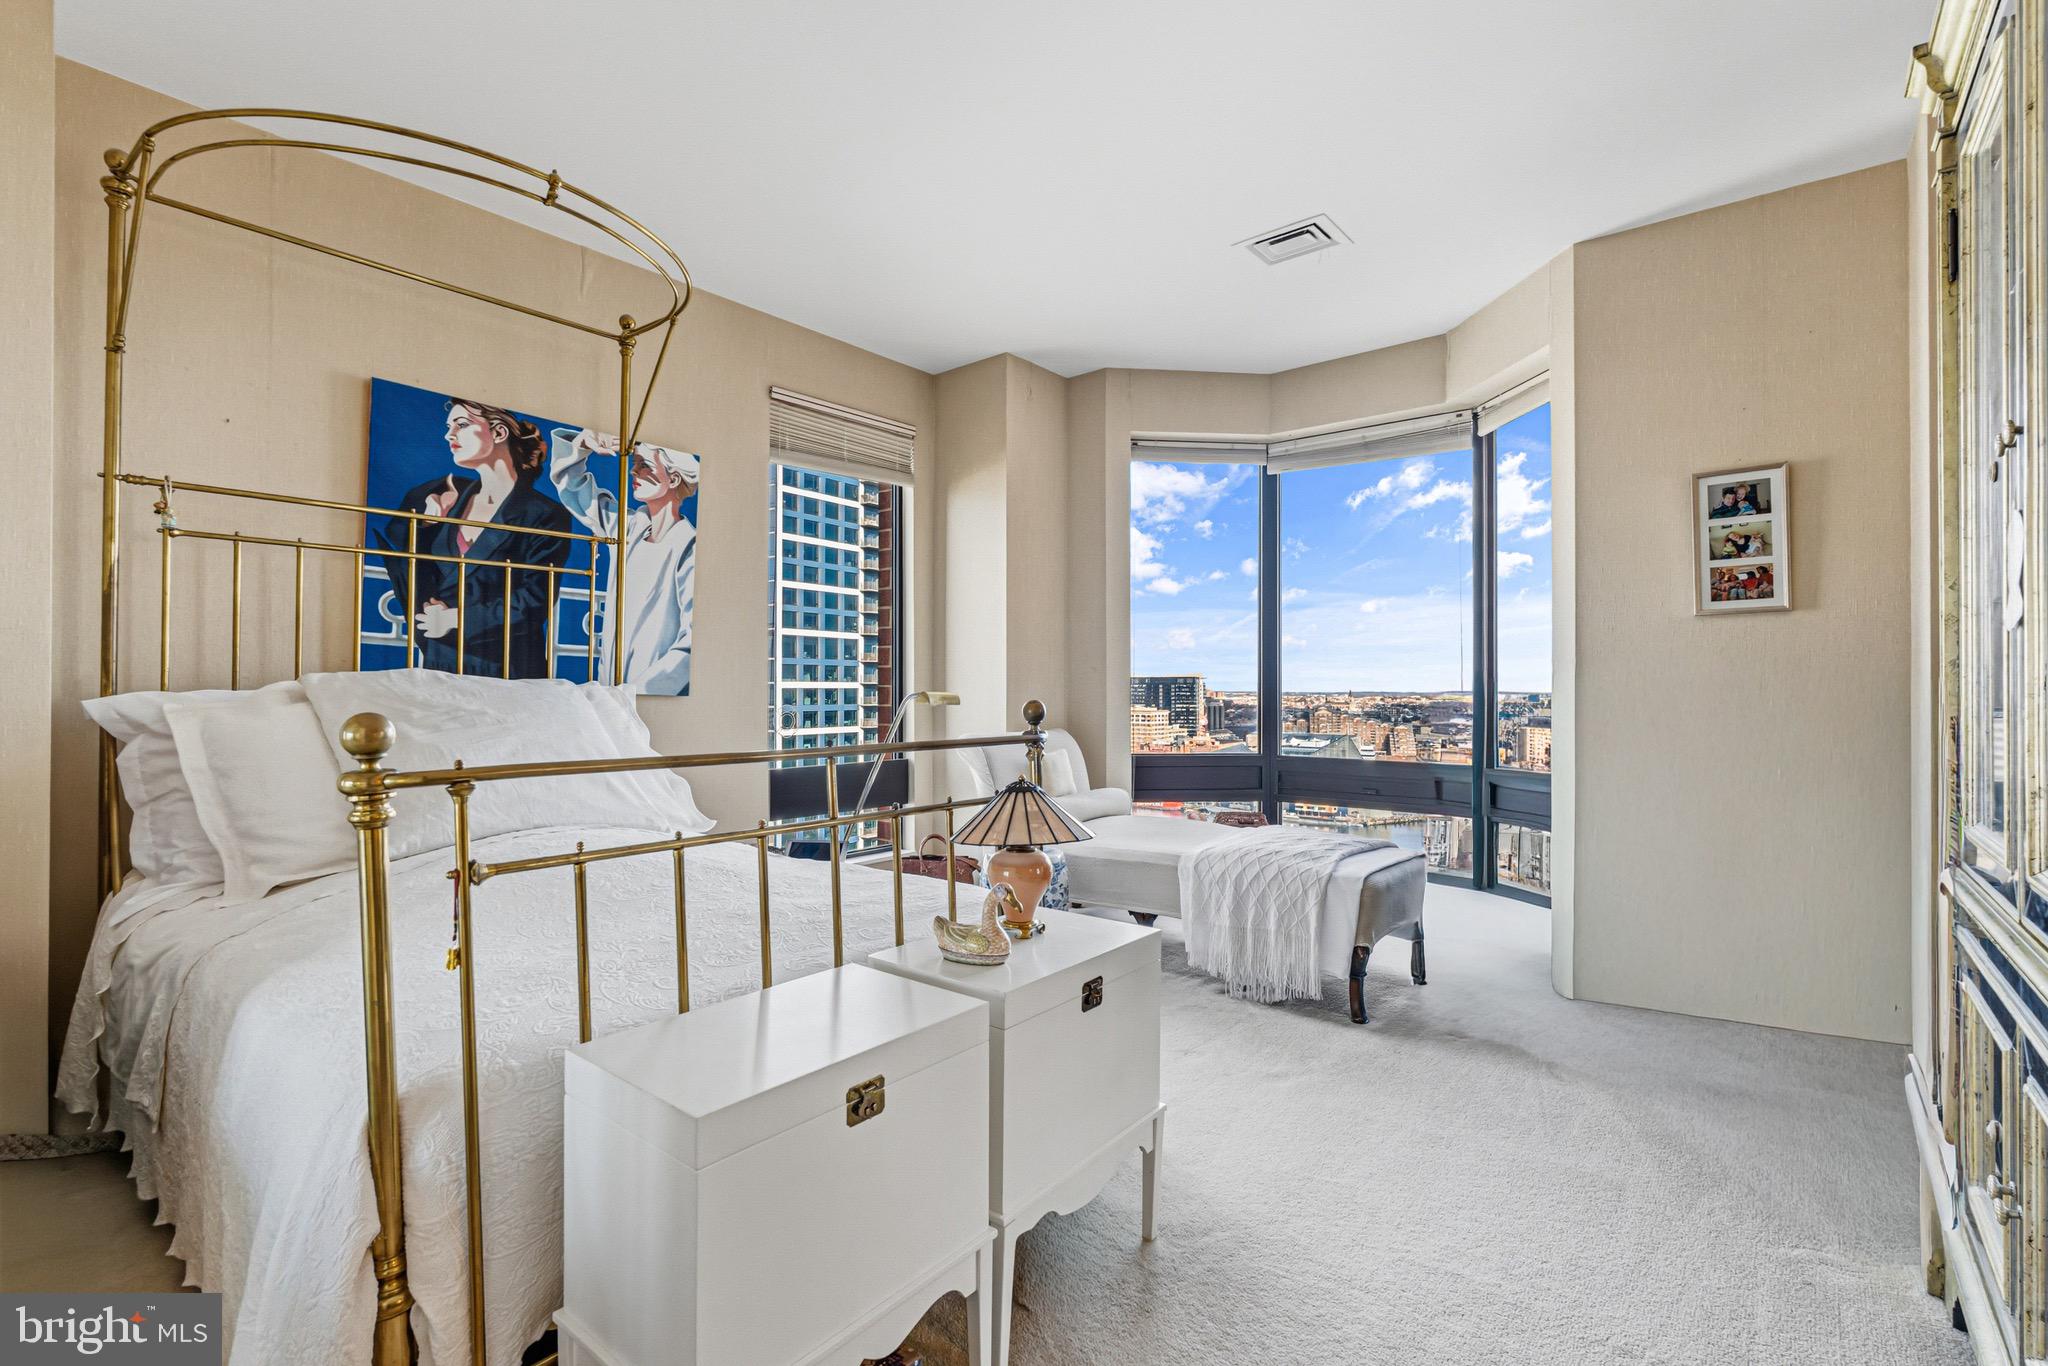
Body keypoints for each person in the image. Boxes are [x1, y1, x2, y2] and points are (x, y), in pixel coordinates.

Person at [375, 398, 571, 677]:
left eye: (462, 425)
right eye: (448, 426)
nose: (449, 434)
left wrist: (455, 619)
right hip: (441, 661)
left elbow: (533, 601)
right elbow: (417, 573)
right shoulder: (447, 500)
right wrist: (429, 524)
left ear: (499, 433)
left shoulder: (543, 514)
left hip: (507, 667)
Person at [549, 425, 700, 695]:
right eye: (635, 463)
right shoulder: (629, 528)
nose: (634, 471)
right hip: (612, 688)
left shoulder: (687, 546)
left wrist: (637, 690)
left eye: (644, 466)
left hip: (646, 691)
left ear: (674, 479)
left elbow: (692, 639)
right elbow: (574, 489)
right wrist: (582, 442)